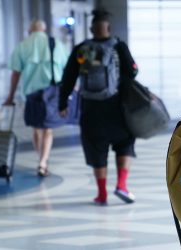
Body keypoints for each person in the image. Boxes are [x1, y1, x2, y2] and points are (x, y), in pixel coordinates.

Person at [59, 10, 138, 206]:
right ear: (108, 28)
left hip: (90, 109)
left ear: (90, 29)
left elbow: (68, 78)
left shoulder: (81, 49)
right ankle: (121, 185)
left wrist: (62, 104)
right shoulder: (119, 46)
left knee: (96, 148)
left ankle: (102, 194)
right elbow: (133, 71)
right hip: (117, 107)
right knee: (125, 143)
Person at [3, 20, 68, 177]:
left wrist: (10, 96)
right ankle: (43, 162)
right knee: (48, 129)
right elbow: (65, 68)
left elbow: (16, 73)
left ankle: (41, 159)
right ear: (44, 30)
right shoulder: (56, 44)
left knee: (36, 129)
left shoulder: (23, 46)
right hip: (52, 92)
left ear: (29, 30)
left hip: (31, 93)